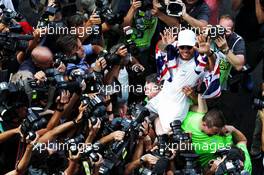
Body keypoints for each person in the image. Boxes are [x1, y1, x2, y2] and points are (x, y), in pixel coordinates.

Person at [146, 29, 218, 134]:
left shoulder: (199, 63)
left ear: (194, 46)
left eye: (189, 47)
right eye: (182, 47)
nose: (185, 50)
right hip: (159, 101)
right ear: (178, 46)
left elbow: (212, 67)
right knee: (138, 121)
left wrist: (208, 53)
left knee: (163, 137)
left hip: (176, 109)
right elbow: (160, 49)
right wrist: (164, 44)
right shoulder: (171, 55)